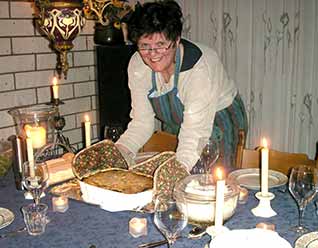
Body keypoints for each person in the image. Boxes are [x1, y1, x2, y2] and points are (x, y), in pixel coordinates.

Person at [115, 0, 248, 173]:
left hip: (219, 122)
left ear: (176, 40)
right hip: (180, 123)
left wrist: (175, 172)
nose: (153, 55)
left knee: (210, 185)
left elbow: (194, 135)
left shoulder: (200, 68)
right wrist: (119, 152)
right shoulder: (138, 65)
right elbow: (142, 122)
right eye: (145, 46)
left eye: (161, 46)